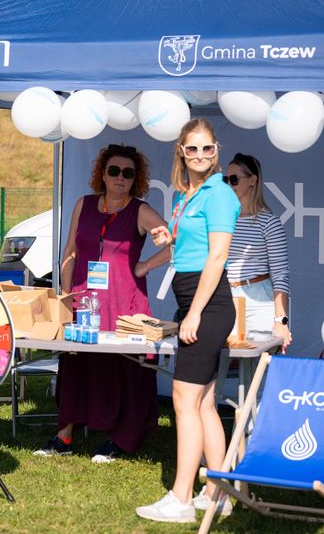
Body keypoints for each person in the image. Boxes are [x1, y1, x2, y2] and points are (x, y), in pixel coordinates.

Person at [34, 143, 170, 462]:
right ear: (103, 174)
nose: (120, 177)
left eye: (128, 173)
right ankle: (64, 435)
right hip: (84, 299)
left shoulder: (140, 210)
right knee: (76, 364)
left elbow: (176, 244)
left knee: (124, 369)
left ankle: (121, 438)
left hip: (125, 303)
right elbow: (70, 252)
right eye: (114, 171)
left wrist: (146, 266)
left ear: (135, 179)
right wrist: (66, 296)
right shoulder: (84, 205)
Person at [135, 119, 240, 523]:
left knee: (184, 400)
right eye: (192, 149)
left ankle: (180, 498)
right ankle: (219, 492)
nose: (200, 156)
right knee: (205, 404)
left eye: (207, 149)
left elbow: (216, 257)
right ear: (181, 150)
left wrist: (194, 312)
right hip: (195, 299)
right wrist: (167, 243)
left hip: (208, 304)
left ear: (217, 150)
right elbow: (187, 248)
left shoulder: (219, 195)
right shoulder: (188, 194)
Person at [224, 153, 291, 350]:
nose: (229, 184)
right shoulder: (223, 219)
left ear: (252, 180)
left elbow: (280, 274)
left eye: (234, 179)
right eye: (226, 180)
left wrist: (281, 320)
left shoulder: (269, 222)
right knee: (219, 366)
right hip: (224, 296)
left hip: (257, 298)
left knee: (255, 368)